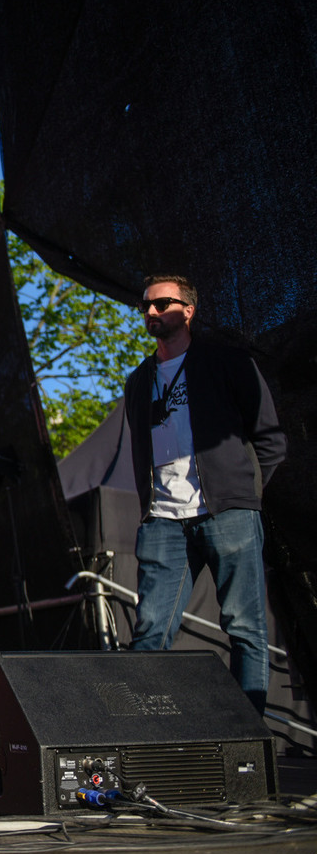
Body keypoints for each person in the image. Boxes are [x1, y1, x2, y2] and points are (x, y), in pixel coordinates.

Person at [123, 274, 285, 712]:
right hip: (162, 520)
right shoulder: (138, 381)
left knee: (244, 627)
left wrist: (243, 494)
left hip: (228, 512)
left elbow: (270, 439)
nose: (151, 312)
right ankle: (143, 733)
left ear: (189, 311)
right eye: (146, 305)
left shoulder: (227, 362)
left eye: (162, 304)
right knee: (150, 631)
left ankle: (247, 733)